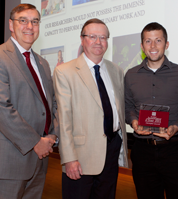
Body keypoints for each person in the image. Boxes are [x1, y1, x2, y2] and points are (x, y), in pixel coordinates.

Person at [0, 4, 59, 199]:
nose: (29, 26)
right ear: (11, 24)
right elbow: (0, 108)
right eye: (23, 20)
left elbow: (52, 104)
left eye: (34, 21)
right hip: (9, 158)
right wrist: (35, 142)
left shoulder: (43, 62)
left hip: (39, 159)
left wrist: (52, 135)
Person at [53, 18, 128, 199]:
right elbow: (64, 118)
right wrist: (69, 158)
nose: (98, 42)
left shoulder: (116, 70)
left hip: (111, 149)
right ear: (82, 39)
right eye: (92, 36)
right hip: (80, 155)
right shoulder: (65, 71)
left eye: (103, 37)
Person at [125, 22, 178, 199]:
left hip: (174, 152)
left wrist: (176, 127)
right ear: (142, 46)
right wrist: (134, 121)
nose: (153, 46)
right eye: (148, 41)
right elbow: (127, 106)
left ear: (167, 44)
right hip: (143, 151)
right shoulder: (131, 75)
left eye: (158, 40)